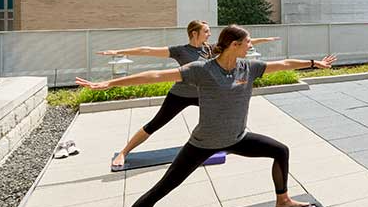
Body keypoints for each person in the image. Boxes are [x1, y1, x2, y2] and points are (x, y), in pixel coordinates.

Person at [76, 25, 335, 207]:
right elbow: (156, 74)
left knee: (280, 150)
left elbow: (284, 64)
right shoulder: (203, 70)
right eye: (246, 43)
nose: (250, 47)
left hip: (237, 138)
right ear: (234, 44)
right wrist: (111, 82)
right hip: (203, 144)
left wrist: (314, 63)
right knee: (162, 189)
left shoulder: (249, 67)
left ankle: (283, 200)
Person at [97, 21, 280, 170]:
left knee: (228, 114)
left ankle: (235, 141)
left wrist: (265, 39)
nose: (209, 34)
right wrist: (118, 52)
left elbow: (241, 43)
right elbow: (147, 50)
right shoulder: (181, 50)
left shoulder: (210, 49)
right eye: (206, 31)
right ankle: (124, 152)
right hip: (181, 94)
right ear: (194, 33)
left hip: (205, 94)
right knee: (155, 124)